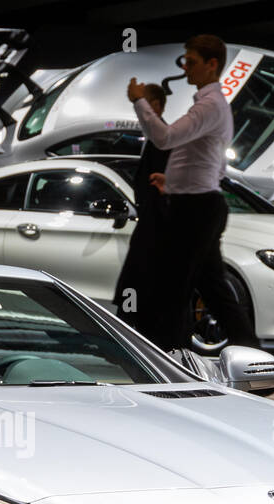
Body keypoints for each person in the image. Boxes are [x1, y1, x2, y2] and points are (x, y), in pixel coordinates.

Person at [127, 34, 258, 351]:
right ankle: (250, 350)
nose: (185, 69)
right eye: (184, 61)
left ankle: (167, 356)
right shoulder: (210, 106)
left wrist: (139, 101)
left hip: (195, 209)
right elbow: (209, 163)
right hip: (197, 204)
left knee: (174, 285)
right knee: (210, 286)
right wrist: (170, 182)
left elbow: (164, 137)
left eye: (191, 62)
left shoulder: (210, 106)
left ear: (212, 65)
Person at [113, 83, 169, 333]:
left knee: (140, 278)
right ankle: (131, 328)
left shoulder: (162, 139)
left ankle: (133, 330)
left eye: (144, 103)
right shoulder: (154, 138)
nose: (138, 111)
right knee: (136, 279)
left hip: (156, 224)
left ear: (155, 105)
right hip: (150, 222)